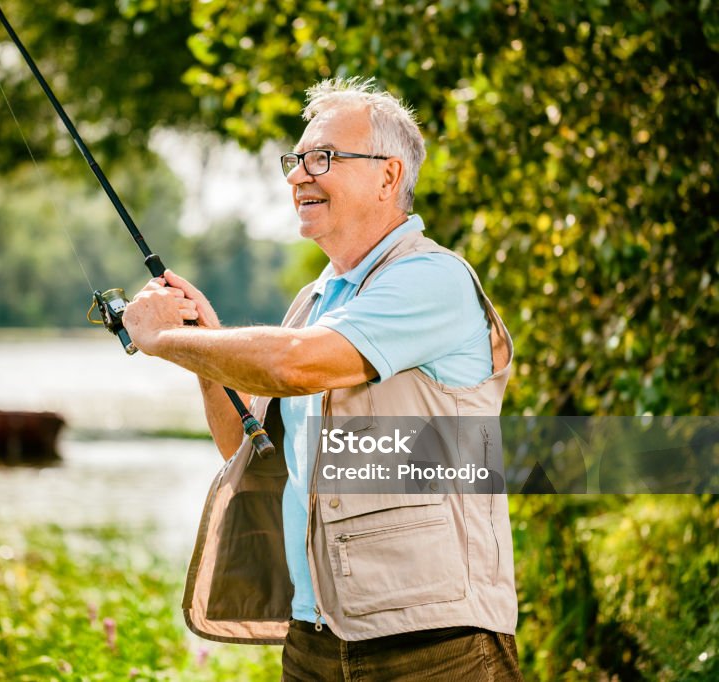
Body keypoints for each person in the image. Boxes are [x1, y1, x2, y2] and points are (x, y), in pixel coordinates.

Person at [122, 77, 522, 681]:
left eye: (322, 159)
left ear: (389, 177)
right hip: (314, 637)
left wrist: (163, 338)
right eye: (296, 160)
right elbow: (249, 447)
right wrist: (203, 345)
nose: (297, 176)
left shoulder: (431, 280)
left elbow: (293, 364)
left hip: (433, 642)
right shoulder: (316, 302)